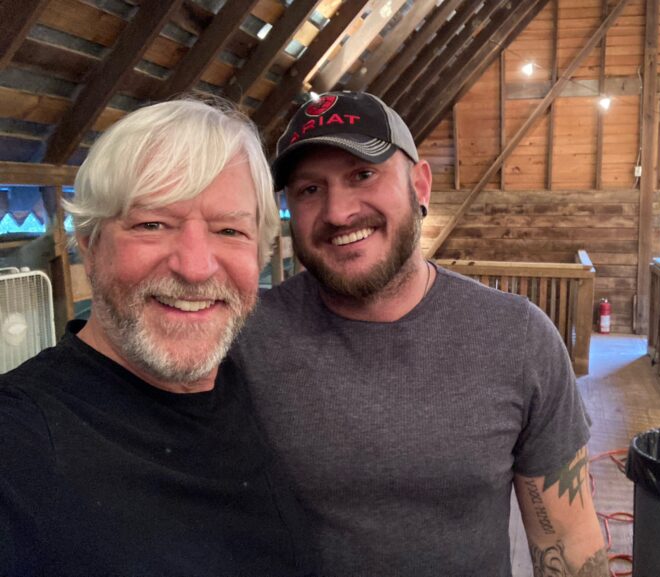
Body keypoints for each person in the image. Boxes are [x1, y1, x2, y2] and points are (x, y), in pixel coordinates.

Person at [233, 91, 609, 576]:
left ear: (421, 185)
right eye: (309, 190)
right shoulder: (244, 337)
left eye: (362, 175)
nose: (338, 212)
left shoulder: (517, 338)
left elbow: (569, 540)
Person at [0, 99, 315, 577]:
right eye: (152, 224)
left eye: (229, 230)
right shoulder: (21, 439)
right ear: (88, 242)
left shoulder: (268, 390)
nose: (194, 267)